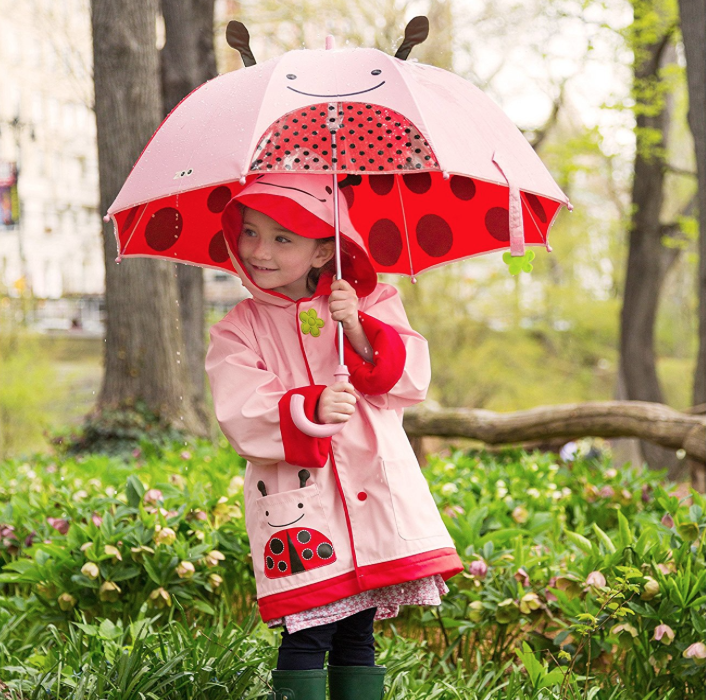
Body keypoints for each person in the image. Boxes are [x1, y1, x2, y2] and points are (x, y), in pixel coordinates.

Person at [205, 173, 462, 700]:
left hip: (372, 491)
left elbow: (411, 380)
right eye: (251, 232)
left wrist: (359, 329)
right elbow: (239, 409)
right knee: (306, 628)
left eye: (283, 239)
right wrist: (310, 405)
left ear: (324, 251)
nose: (259, 251)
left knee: (357, 632)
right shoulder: (239, 326)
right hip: (300, 503)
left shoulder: (370, 302)